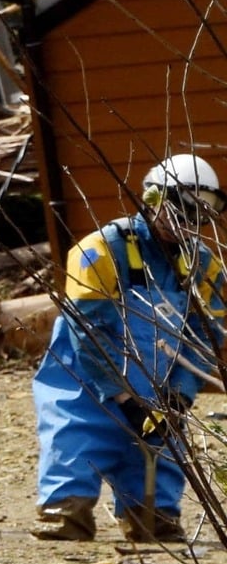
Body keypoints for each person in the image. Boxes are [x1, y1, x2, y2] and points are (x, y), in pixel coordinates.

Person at [33, 155, 226, 543]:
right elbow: (88, 328)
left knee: (162, 449)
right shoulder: (100, 250)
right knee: (78, 438)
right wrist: (122, 394)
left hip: (159, 379)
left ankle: (151, 516)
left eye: (200, 215)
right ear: (154, 199)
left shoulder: (204, 267)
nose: (188, 225)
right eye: (182, 211)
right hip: (85, 378)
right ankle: (66, 511)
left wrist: (180, 394)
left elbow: (206, 335)